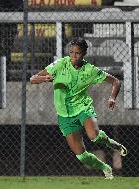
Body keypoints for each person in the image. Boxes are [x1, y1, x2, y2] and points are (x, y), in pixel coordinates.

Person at [30, 38, 127, 179]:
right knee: (81, 156)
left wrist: (112, 98)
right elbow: (33, 79)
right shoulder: (60, 64)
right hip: (64, 115)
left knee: (94, 136)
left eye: (78, 53)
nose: (74, 56)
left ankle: (113, 145)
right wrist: (45, 78)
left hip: (83, 108)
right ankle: (105, 167)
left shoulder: (90, 70)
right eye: (71, 52)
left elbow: (116, 82)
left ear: (84, 54)